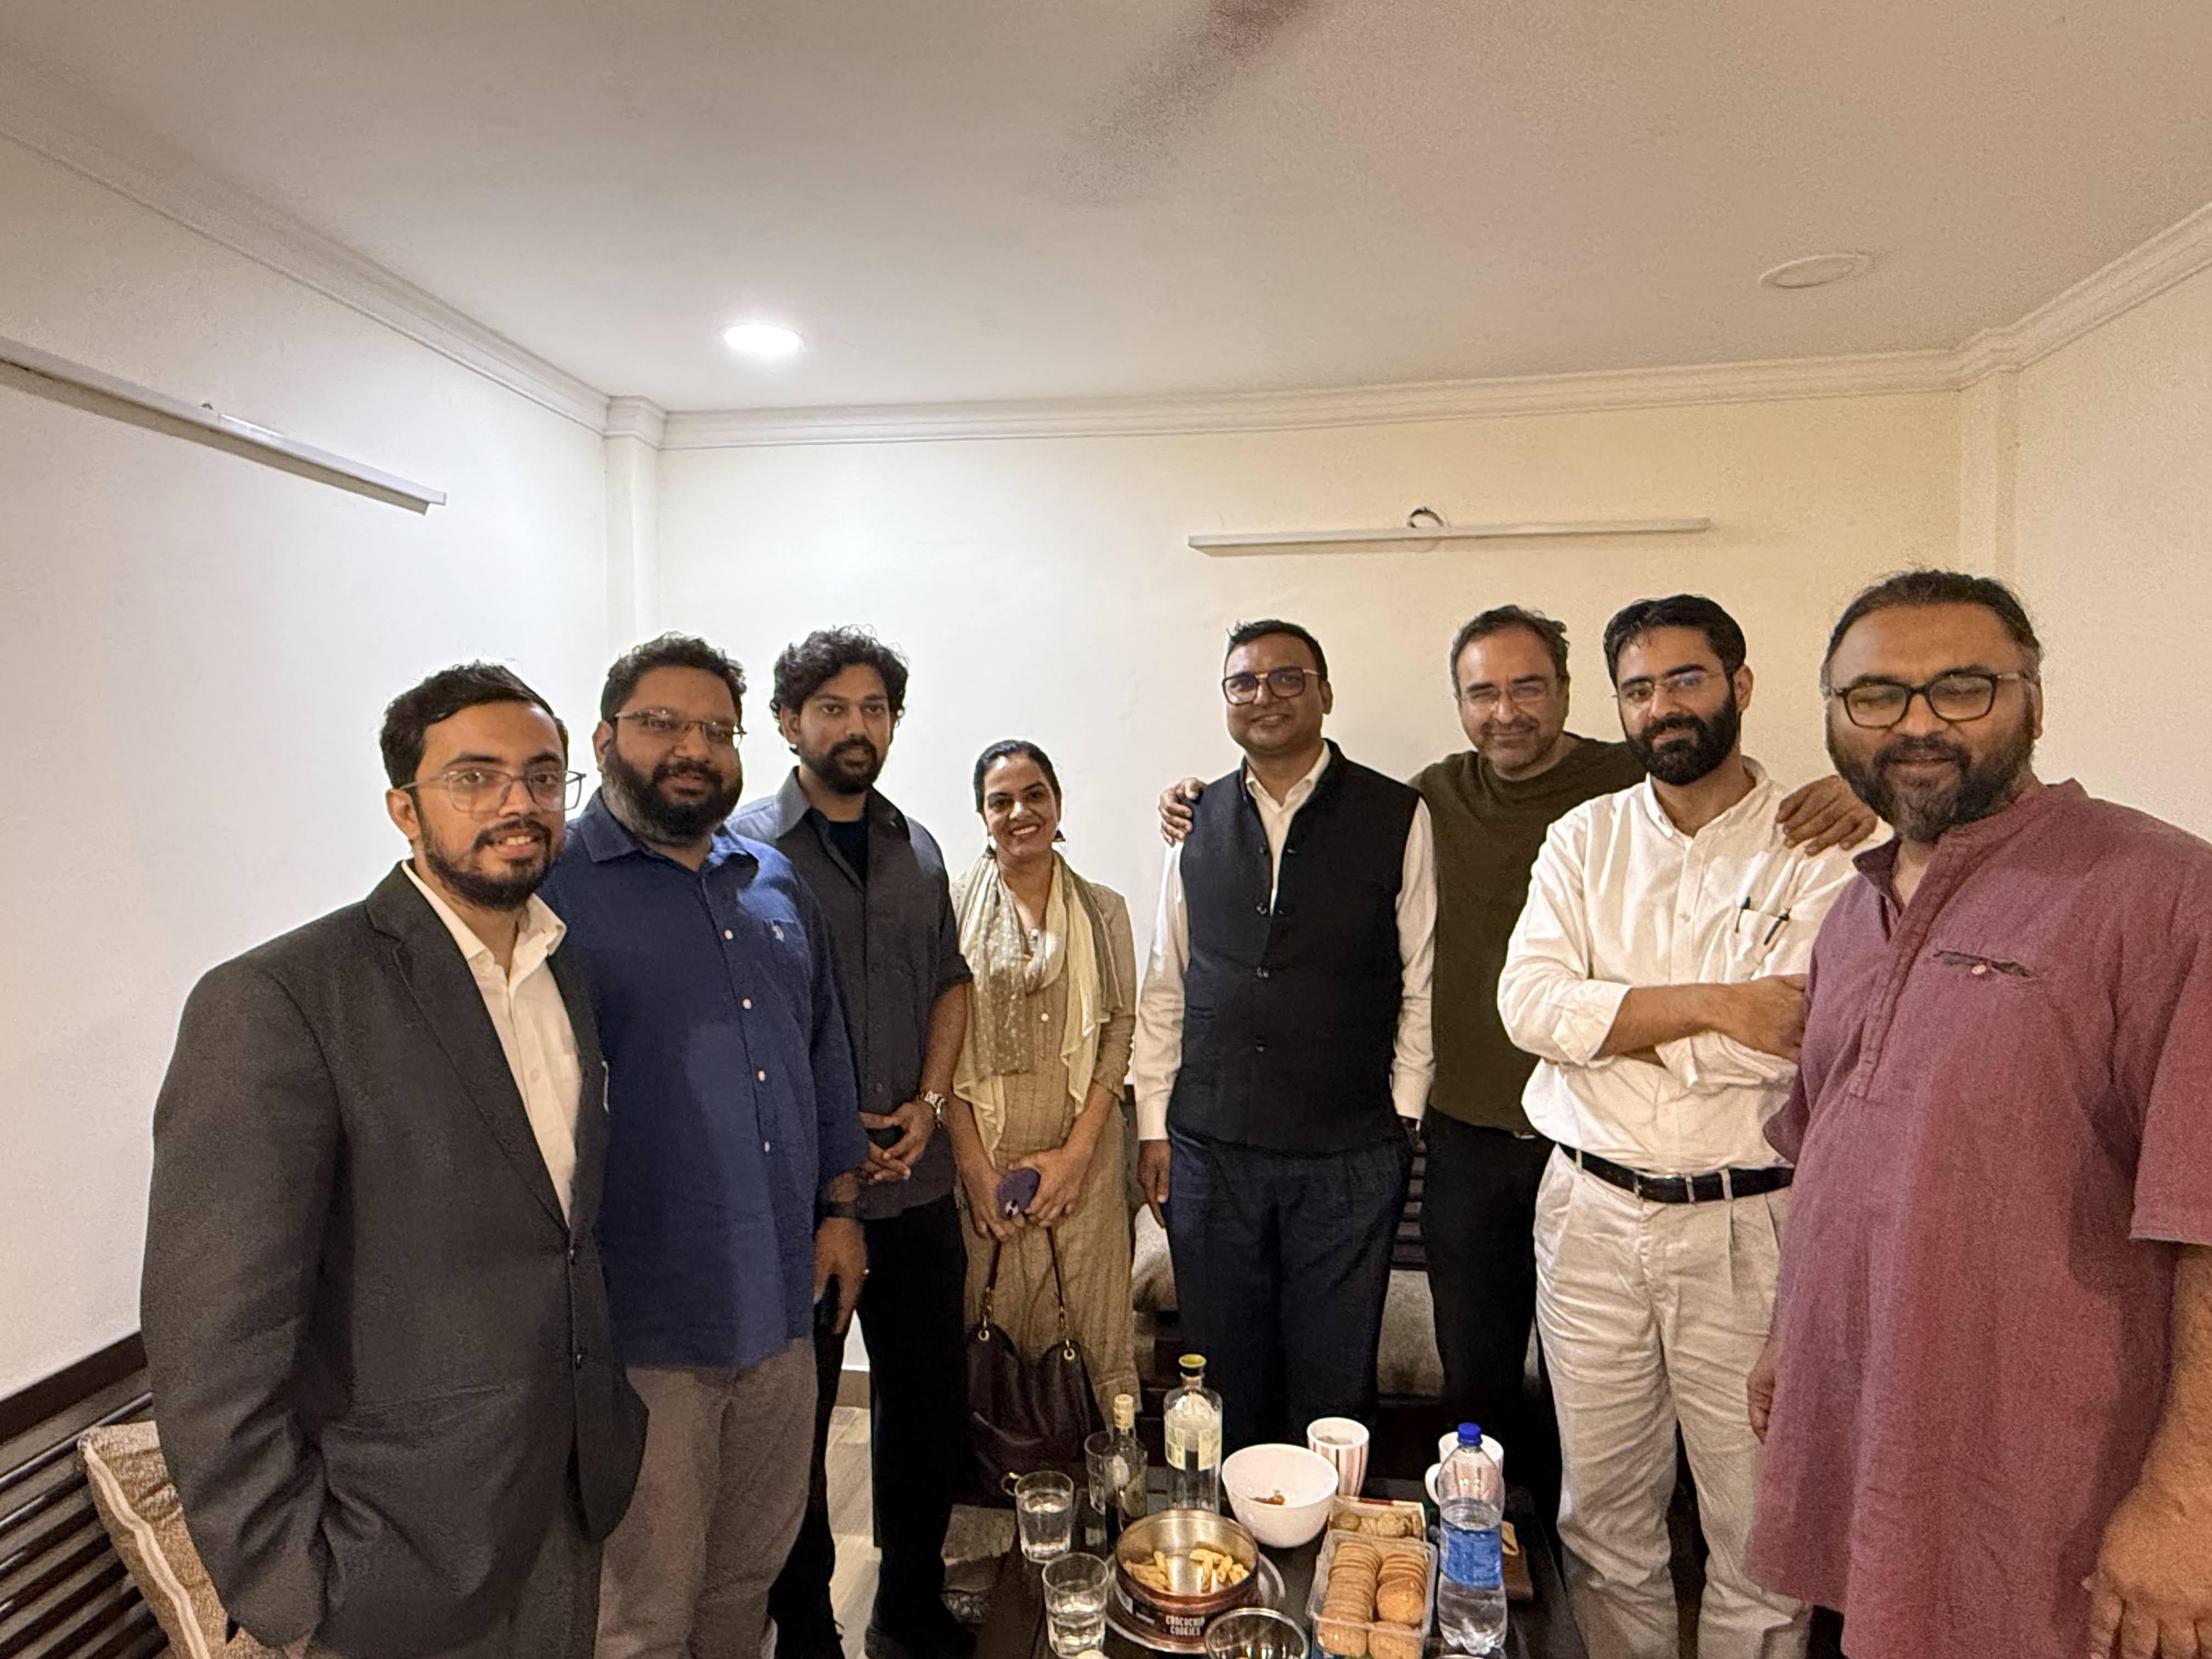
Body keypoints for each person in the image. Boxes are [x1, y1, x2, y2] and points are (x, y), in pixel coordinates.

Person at [1159, 605, 1872, 1518]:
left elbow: (1784, 1025)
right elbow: (1523, 999)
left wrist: (1862, 793)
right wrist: (1194, 802)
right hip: (1474, 1132)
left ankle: (1635, 1553)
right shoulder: (1429, 800)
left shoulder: (1638, 777)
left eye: (1526, 688)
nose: (1505, 712)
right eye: (1482, 693)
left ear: (1571, 694)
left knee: (1632, 1416)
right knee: (1484, 1379)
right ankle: (1494, 1550)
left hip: (1614, 1143)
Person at [1746, 572, 2212, 1659]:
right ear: (1834, 717)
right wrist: (1785, 1337)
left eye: (1961, 688)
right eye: (1876, 695)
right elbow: (1830, 1153)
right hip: (1869, 1466)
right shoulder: (1852, 913)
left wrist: (2188, 1500)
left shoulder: (2160, 889)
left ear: (2032, 702)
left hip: (2051, 1514)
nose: (1917, 723)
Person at [141, 664, 645, 1659]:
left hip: (567, 1494)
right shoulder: (282, 998)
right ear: (403, 808)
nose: (517, 803)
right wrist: (290, 1582)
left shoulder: (566, 970)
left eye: (544, 777)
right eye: (475, 777)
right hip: (387, 1545)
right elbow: (215, 1333)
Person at [1498, 595, 1867, 1659]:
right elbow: (1528, 1007)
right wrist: (1712, 1005)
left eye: (1686, 678)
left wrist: (1611, 1023)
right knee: (1601, 1519)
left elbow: (1794, 1037)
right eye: (1639, 688)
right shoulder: (1585, 839)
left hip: (1747, 1224)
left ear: (1739, 685)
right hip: (1589, 1214)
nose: (1662, 705)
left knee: (1759, 1531)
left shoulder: (1821, 844)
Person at [535, 634, 868, 1659]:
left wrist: (841, 1209)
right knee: (643, 1611)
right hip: (642, 1322)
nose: (694, 748)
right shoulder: (549, 889)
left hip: (779, 1299)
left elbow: (823, 1050)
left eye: (716, 730)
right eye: (662, 724)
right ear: (604, 738)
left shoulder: (772, 880)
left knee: (744, 1582)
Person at [1132, 618, 1435, 1450]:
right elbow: (1167, 979)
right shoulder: (1195, 818)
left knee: (1334, 1387)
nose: (1264, 696)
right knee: (1222, 1378)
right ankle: (1231, 1529)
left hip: (1349, 1152)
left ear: (1325, 693)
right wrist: (1154, 1123)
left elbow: (1422, 974)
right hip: (1209, 1148)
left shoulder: (1395, 813)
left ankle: (1330, 1532)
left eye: (1286, 678)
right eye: (1244, 682)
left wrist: (1404, 1114)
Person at [736, 628, 975, 1659]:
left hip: (917, 1187)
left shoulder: (919, 847)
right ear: (788, 721)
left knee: (925, 1412)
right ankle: (805, 1628)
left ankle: (909, 1606)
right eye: (831, 707)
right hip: (802, 1202)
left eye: (874, 707)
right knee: (795, 1428)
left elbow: (952, 981)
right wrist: (834, 1145)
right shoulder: (740, 854)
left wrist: (930, 1101)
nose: (855, 725)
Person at [945, 740, 1140, 1421]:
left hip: (1083, 1162)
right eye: (1000, 801)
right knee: (989, 1335)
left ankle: (1101, 1484)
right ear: (982, 815)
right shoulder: (949, 910)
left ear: (1057, 805)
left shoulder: (1103, 910)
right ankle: (997, 1485)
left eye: (1035, 795)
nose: (1020, 812)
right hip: (983, 1159)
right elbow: (938, 1046)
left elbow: (1119, 1031)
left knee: (1091, 1337)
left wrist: (1076, 1158)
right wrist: (975, 1170)